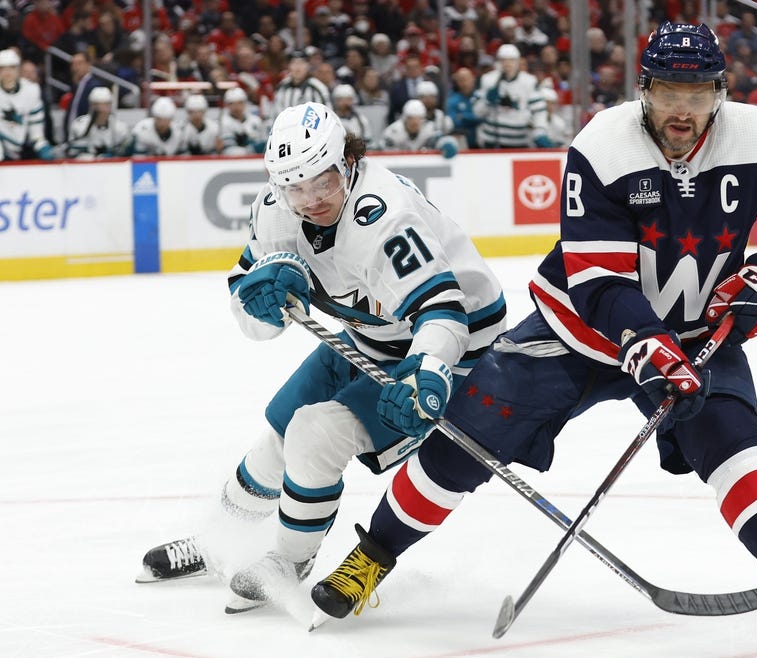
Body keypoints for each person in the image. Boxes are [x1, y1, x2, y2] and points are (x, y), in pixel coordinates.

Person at [306, 23, 757, 648]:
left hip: (695, 334)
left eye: (699, 95)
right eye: (669, 91)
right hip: (576, 331)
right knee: (468, 435)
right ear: (644, 89)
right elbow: (597, 281)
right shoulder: (603, 147)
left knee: (733, 439)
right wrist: (644, 341)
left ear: (720, 92)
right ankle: (372, 556)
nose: (683, 110)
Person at [136, 102, 508, 613]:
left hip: (453, 348)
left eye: (323, 182)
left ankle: (289, 560)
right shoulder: (275, 205)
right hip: (372, 332)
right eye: (296, 188)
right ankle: (220, 543)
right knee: (278, 435)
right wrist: (263, 305)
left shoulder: (383, 216)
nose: (310, 201)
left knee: (315, 433)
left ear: (348, 163)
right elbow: (248, 314)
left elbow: (444, 311)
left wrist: (430, 370)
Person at [473, 44, 551, 148]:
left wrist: (540, 130)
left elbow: (539, 110)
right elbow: (477, 112)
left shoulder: (529, 81)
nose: (507, 64)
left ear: (518, 62)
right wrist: (487, 101)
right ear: (498, 62)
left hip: (520, 141)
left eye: (511, 60)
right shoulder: (488, 80)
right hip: (492, 141)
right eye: (504, 60)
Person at [0, 48, 55, 160]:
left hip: (22, 146)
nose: (8, 73)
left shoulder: (31, 90)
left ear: (18, 70)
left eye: (12, 68)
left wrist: (42, 145)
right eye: (3, 69)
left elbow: (36, 127)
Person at [66, 85, 130, 159]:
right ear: (90, 106)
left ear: (110, 106)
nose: (101, 108)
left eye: (105, 104)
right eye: (96, 104)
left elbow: (125, 153)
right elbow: (73, 152)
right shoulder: (79, 125)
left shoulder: (120, 127)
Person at [219, 86, 265, 156]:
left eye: (239, 103)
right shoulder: (223, 123)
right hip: (234, 163)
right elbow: (228, 151)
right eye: (232, 103)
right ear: (227, 105)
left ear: (244, 103)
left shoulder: (256, 120)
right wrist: (252, 149)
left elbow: (264, 144)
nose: (236, 107)